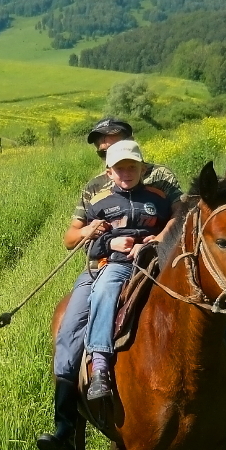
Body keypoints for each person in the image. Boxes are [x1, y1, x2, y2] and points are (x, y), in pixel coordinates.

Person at [36, 119, 226, 450]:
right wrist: (91, 233)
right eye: (102, 146)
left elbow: (183, 214)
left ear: (132, 148)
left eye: (113, 142)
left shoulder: (160, 180)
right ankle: (65, 420)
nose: (105, 149)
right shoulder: (95, 188)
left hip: (159, 260)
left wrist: (159, 239)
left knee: (209, 296)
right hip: (106, 264)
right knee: (69, 329)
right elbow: (71, 235)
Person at [83, 140, 172, 400]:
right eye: (120, 169)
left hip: (156, 262)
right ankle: (100, 368)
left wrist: (153, 242)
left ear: (142, 169)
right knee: (103, 291)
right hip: (118, 265)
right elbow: (92, 243)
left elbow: (170, 229)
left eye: (132, 167)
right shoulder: (100, 202)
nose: (126, 173)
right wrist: (111, 242)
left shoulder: (159, 198)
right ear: (109, 172)